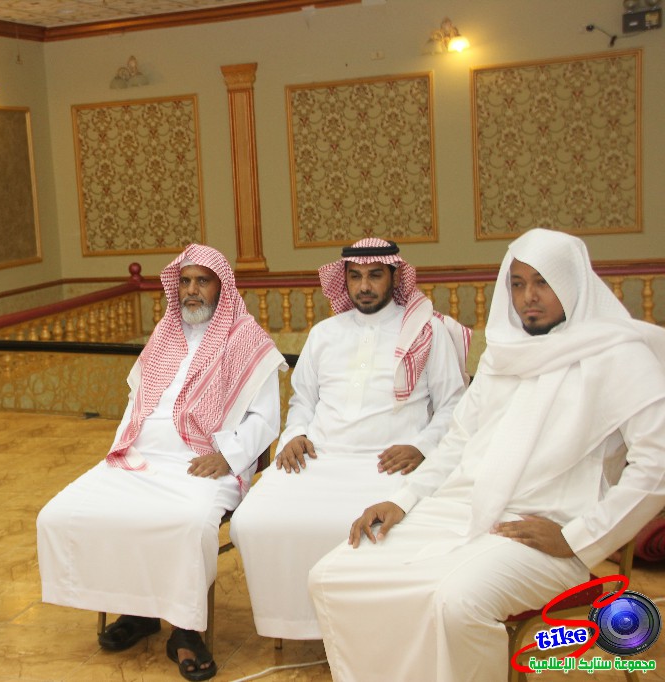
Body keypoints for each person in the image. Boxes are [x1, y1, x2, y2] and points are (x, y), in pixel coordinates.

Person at [308, 228, 665, 682]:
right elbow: (457, 442)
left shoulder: (619, 356)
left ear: (573, 282)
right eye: (517, 283)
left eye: (543, 282)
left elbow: (656, 468)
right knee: (332, 576)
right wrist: (403, 498)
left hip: (546, 532)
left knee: (456, 603)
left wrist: (579, 537)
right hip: (459, 507)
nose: (528, 297)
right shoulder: (503, 354)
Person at [37, 244, 287, 681]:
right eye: (185, 281)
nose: (192, 290)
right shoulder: (164, 334)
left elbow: (266, 419)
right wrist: (119, 451)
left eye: (202, 281)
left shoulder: (247, 340)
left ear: (221, 287)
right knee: (62, 514)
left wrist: (227, 458)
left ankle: (186, 631)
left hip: (204, 464)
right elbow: (136, 404)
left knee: (187, 524)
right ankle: (139, 612)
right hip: (139, 459)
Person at [230, 237, 470, 641]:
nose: (364, 286)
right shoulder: (324, 333)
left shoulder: (427, 331)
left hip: (389, 466)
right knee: (251, 520)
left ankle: (370, 633)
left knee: (386, 532)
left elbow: (453, 405)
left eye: (374, 275)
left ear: (394, 276)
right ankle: (292, 622)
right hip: (320, 460)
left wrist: (422, 447)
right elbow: (303, 401)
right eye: (355, 277)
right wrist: (295, 433)